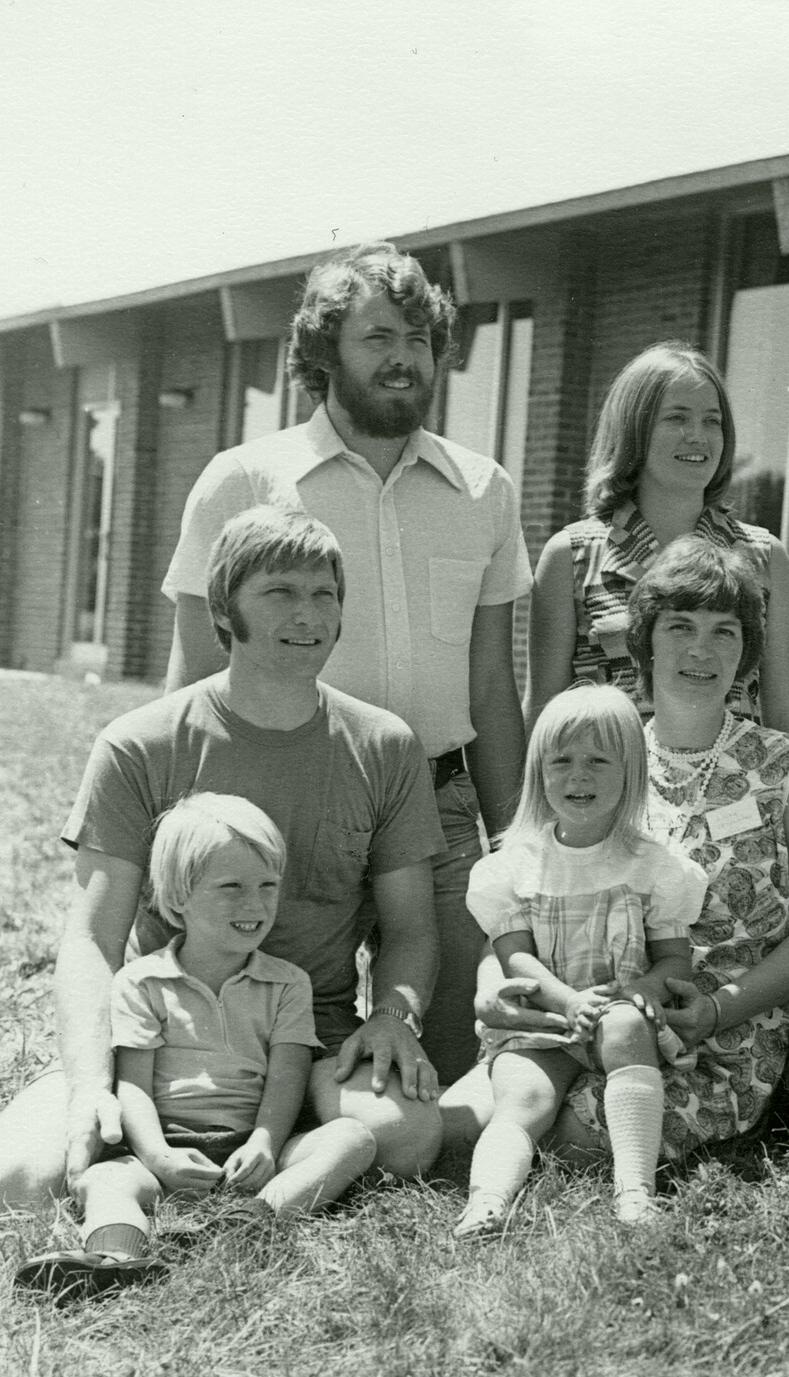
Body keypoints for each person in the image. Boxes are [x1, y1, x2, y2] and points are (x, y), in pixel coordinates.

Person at [0, 507, 446, 1215]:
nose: (308, 613)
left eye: (324, 593)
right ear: (224, 609)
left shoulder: (384, 745)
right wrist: (94, 1081)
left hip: (314, 1043)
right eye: (280, 592)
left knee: (408, 1135)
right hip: (165, 1043)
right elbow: (92, 940)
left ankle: (256, 1165)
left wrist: (394, 1016)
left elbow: (411, 928)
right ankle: (183, 1154)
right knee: (9, 1184)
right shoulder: (141, 744)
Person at [161, 242, 532, 1084]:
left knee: (446, 1070)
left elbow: (491, 687)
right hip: (286, 807)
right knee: (272, 1059)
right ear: (323, 351)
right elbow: (190, 681)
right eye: (377, 337)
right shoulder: (244, 480)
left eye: (419, 337)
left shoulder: (484, 490)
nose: (403, 357)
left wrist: (513, 840)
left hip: (438, 806)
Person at [441, 537, 789, 1174]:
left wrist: (718, 1009)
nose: (701, 650)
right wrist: (493, 989)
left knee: (570, 1142)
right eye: (680, 626)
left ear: (747, 652)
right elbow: (521, 892)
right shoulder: (597, 751)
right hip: (578, 1019)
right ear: (645, 641)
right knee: (453, 1127)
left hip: (716, 1035)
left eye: (725, 632)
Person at [15, 796, 377, 1302]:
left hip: (248, 1148)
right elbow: (134, 1086)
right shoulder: (141, 983)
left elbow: (287, 1076)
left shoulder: (288, 983)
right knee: (104, 1180)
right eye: (232, 887)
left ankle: (252, 1221)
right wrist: (158, 1157)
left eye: (267, 886)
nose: (255, 905)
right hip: (166, 1142)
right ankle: (116, 1258)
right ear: (180, 895)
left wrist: (266, 1145)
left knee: (352, 1138)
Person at [458, 684, 707, 1234]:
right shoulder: (516, 867)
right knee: (522, 1096)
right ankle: (488, 1201)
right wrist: (567, 1002)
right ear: (538, 774)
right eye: (562, 761)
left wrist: (643, 987)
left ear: (631, 773)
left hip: (614, 1010)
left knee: (624, 1029)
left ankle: (635, 1191)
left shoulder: (651, 866)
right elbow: (515, 958)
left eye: (599, 761)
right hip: (547, 1016)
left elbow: (675, 961)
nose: (579, 776)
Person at [524, 341, 789, 735]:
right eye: (677, 418)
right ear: (634, 429)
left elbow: (787, 715)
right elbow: (544, 712)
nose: (698, 436)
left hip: (733, 789)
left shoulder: (763, 556)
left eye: (712, 421)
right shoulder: (572, 555)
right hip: (614, 791)